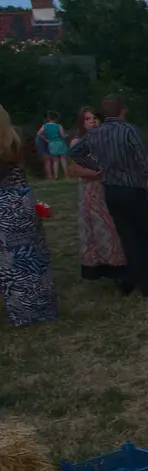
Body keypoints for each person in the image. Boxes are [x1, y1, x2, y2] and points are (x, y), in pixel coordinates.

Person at [68, 95, 148, 298]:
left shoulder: (96, 133)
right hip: (133, 189)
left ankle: (134, 280)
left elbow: (75, 152)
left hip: (111, 191)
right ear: (122, 110)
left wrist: (97, 166)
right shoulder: (129, 130)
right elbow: (143, 161)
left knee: (128, 238)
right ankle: (140, 279)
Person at [0, 104, 59, 325]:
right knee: (34, 255)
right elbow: (33, 166)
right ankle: (44, 306)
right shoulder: (17, 137)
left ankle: (22, 311)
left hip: (3, 207)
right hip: (23, 200)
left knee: (11, 262)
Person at [69, 106, 125, 281]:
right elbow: (74, 169)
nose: (92, 121)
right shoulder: (78, 142)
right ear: (82, 123)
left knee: (111, 227)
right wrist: (98, 172)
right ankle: (97, 266)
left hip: (108, 187)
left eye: (94, 118)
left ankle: (117, 266)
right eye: (87, 118)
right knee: (94, 228)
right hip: (90, 190)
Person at [38, 111, 68, 180]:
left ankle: (56, 175)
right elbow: (63, 136)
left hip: (51, 143)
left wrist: (46, 139)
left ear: (49, 118)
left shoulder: (45, 126)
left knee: (55, 160)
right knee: (63, 159)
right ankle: (66, 174)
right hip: (60, 143)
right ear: (56, 118)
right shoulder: (58, 126)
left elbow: (39, 134)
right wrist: (66, 135)